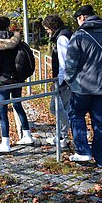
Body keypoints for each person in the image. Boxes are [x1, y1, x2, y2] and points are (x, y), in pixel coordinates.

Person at [65, 5, 102, 168]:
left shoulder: (79, 36)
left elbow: (70, 64)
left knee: (76, 116)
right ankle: (101, 159)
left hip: (81, 87)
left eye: (78, 19)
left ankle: (83, 151)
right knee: (100, 122)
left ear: (83, 17)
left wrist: (70, 80)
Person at [0, 16, 34, 153]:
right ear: (8, 25)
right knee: (17, 104)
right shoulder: (16, 39)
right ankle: (27, 135)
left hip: (4, 79)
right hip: (17, 78)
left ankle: (5, 142)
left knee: (2, 109)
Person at [42, 14, 72, 149]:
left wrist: (59, 82)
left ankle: (63, 136)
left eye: (47, 29)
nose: (47, 32)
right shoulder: (65, 35)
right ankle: (61, 136)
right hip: (67, 79)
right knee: (63, 108)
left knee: (56, 108)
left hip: (64, 80)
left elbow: (64, 62)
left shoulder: (62, 39)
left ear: (52, 27)